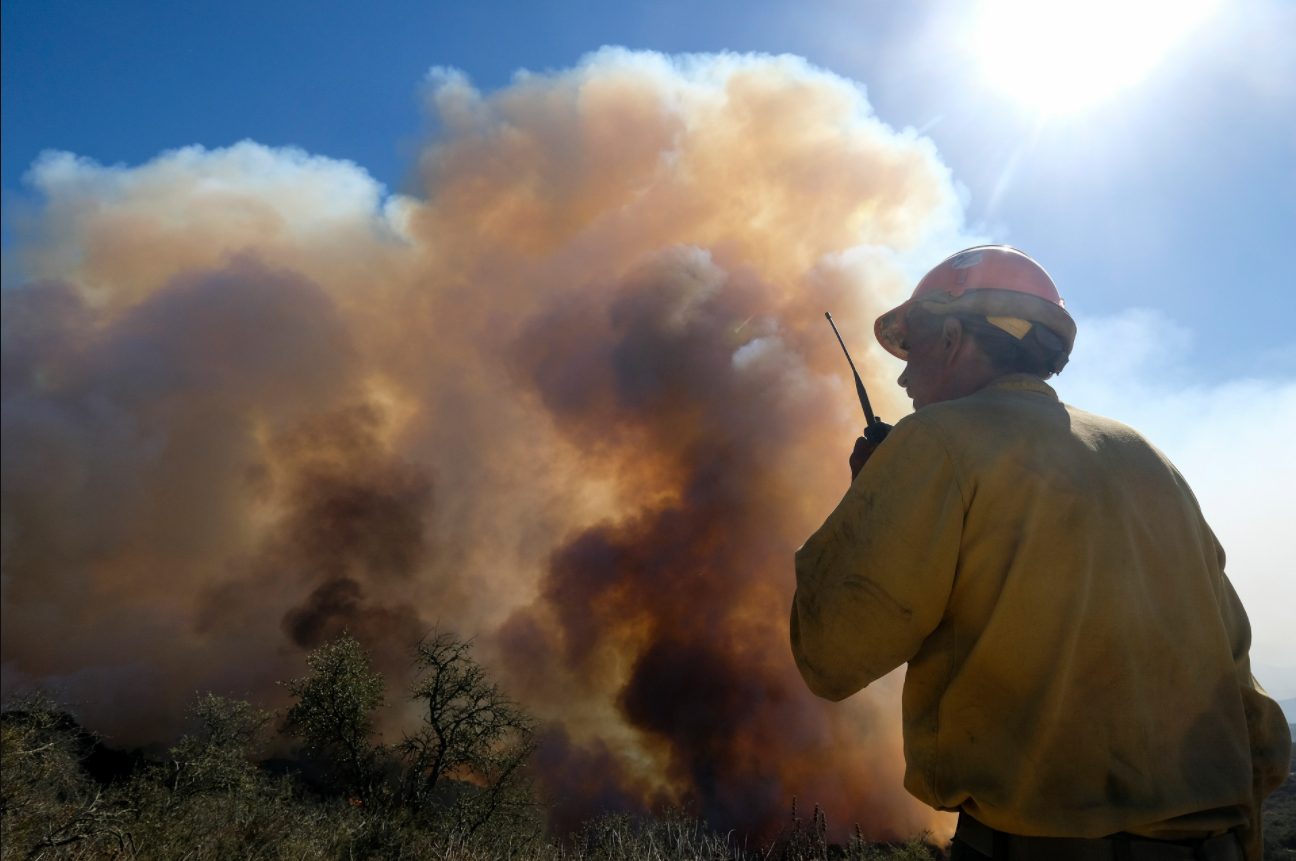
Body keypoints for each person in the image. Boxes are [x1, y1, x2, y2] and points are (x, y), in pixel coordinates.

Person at [790, 246, 1291, 861]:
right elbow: (1250, 706)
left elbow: (832, 655)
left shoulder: (935, 441)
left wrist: (867, 503)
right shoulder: (1148, 458)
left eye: (911, 349)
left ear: (951, 337)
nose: (901, 379)